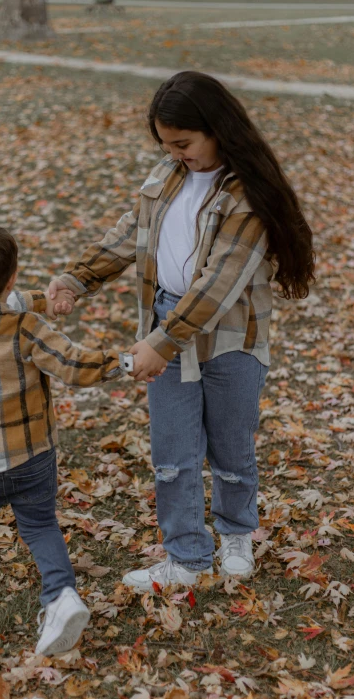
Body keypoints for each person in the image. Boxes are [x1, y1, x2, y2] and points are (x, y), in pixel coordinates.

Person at [49, 71, 315, 591]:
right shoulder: (168, 174)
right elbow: (133, 231)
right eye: (167, 145)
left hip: (231, 333)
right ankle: (187, 558)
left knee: (232, 446)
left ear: (218, 130)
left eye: (184, 143)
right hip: (166, 317)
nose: (176, 154)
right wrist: (78, 278)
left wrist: (161, 342)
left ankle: (236, 534)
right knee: (172, 452)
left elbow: (218, 285)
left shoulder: (246, 197)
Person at [0, 222, 135, 655]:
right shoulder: (25, 327)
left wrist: (48, 300)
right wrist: (123, 361)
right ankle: (61, 596)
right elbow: (73, 365)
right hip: (29, 455)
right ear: (12, 277)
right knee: (40, 524)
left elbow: (0, 302)